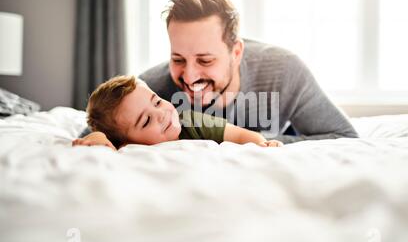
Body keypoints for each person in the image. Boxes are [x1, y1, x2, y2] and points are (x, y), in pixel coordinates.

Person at [80, 0, 358, 144]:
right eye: (178, 59)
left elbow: (345, 137)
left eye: (205, 60)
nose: (189, 76)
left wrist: (252, 145)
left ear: (236, 52)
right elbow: (96, 128)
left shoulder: (284, 70)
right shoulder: (152, 90)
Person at [72, 75, 283, 150]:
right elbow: (95, 141)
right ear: (126, 143)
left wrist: (261, 144)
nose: (161, 114)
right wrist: (97, 137)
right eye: (146, 121)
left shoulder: (191, 121)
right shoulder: (128, 149)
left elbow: (239, 135)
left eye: (157, 101)